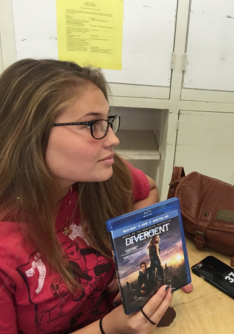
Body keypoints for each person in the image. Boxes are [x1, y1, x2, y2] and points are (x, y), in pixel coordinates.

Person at [0, 58, 192, 334]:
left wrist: (129, 262)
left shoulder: (100, 178)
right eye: (92, 124)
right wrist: (108, 328)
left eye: (108, 121)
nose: (113, 139)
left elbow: (147, 190)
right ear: (30, 133)